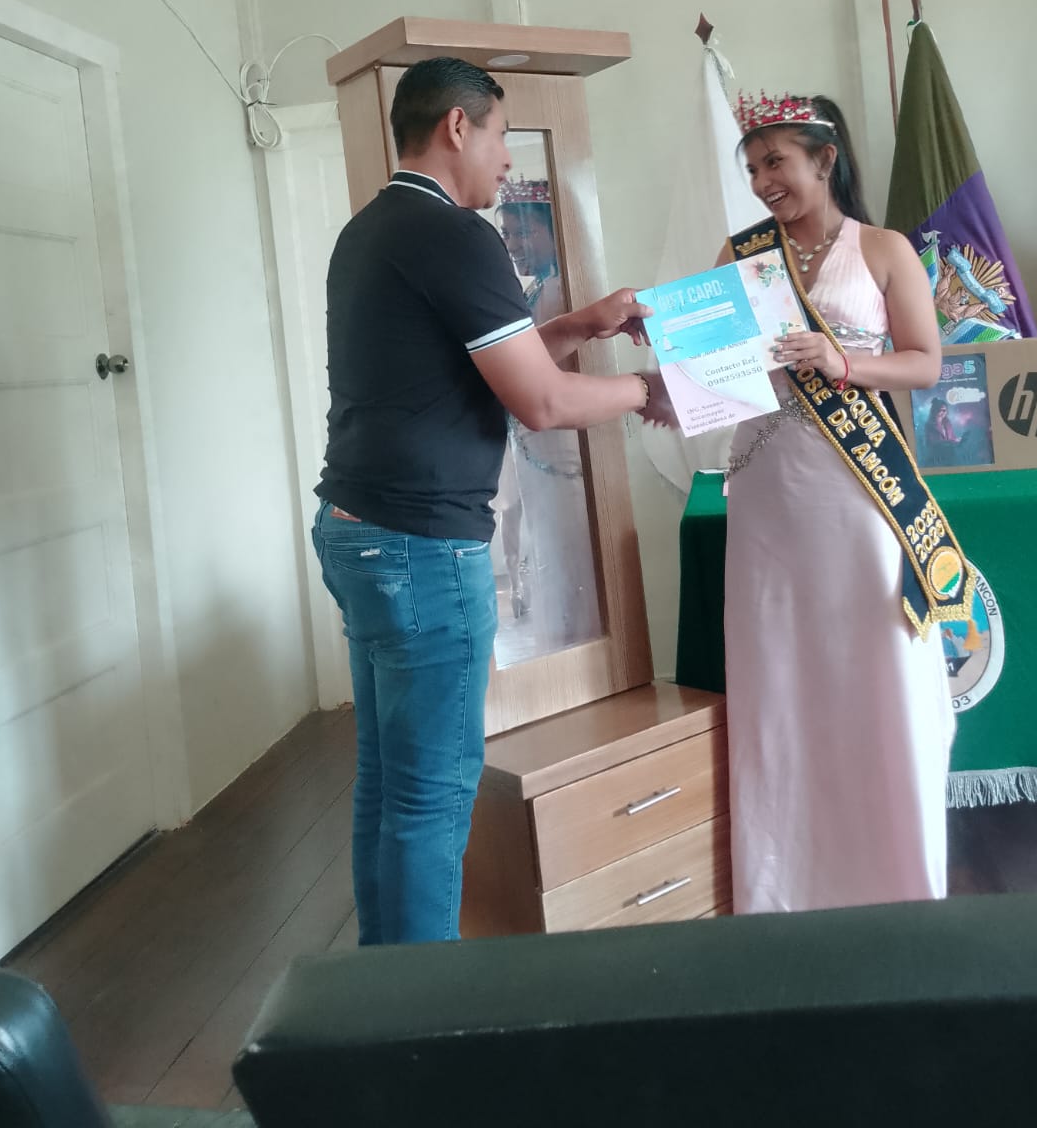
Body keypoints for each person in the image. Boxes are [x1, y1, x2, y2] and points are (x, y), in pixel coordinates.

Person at [311, 56, 651, 945]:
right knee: (431, 797)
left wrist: (583, 324)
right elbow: (541, 401)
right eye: (500, 135)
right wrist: (649, 391)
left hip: (357, 532)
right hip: (422, 547)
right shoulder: (458, 234)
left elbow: (479, 364)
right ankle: (429, 1010)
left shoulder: (370, 230)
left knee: (390, 785)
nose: (506, 158)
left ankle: (383, 991)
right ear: (457, 127)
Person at [716, 91, 954, 913]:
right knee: (779, 674)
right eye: (753, 167)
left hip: (858, 496)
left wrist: (843, 362)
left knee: (875, 667)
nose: (762, 182)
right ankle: (786, 888)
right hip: (767, 493)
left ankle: (896, 883)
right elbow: (715, 368)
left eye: (775, 162)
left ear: (824, 158)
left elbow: (925, 363)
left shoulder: (882, 249)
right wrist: (667, 370)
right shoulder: (742, 256)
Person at [494, 181, 602, 650]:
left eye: (523, 232)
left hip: (562, 443)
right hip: (533, 445)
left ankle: (580, 644)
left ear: (553, 231)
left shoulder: (563, 288)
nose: (513, 244)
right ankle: (559, 643)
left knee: (570, 550)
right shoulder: (536, 289)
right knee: (547, 547)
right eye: (507, 234)